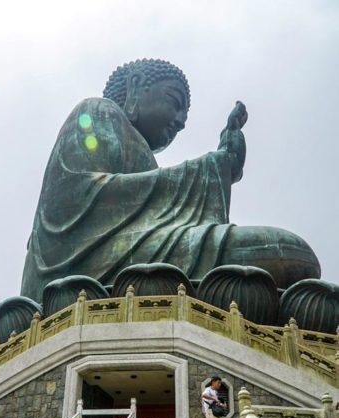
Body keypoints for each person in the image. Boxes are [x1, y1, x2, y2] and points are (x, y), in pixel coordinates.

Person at [20, 58, 320, 303]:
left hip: (148, 252)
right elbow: (75, 203)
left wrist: (220, 165)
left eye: (185, 114)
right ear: (137, 85)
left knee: (291, 255)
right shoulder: (98, 112)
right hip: (80, 272)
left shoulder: (141, 153)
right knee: (291, 255)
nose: (181, 120)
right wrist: (213, 167)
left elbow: (157, 221)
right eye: (175, 103)